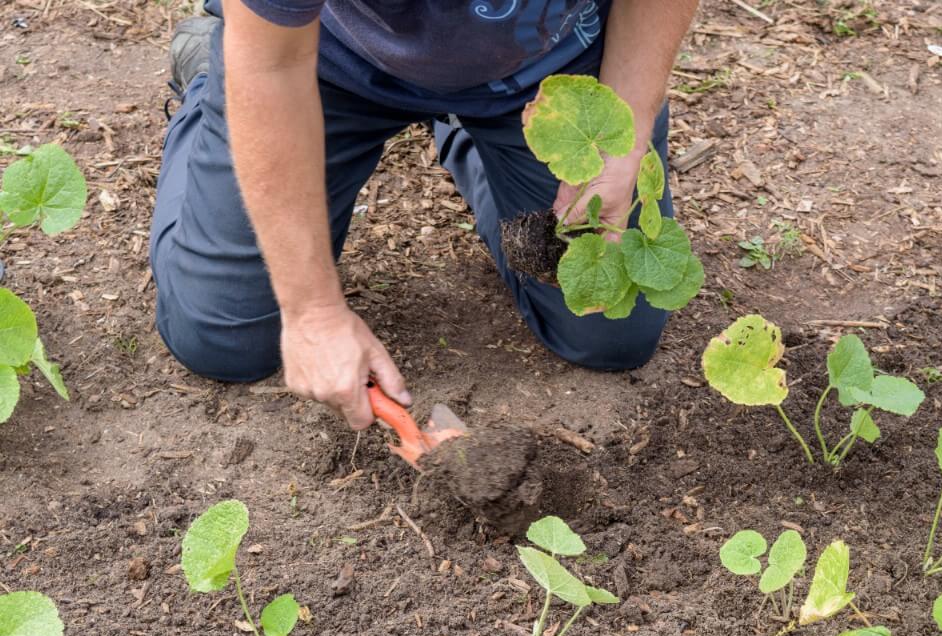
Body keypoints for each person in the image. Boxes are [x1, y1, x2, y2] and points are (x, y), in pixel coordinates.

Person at [149, 0, 698, 430]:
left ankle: (466, 131)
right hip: (321, 57)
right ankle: (208, 80)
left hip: (543, 72)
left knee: (610, 331)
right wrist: (312, 310)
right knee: (222, 338)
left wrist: (625, 132)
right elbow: (271, 65)